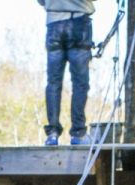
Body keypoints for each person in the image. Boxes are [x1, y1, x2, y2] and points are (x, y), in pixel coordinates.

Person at [38, 0, 96, 146]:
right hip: (79, 23)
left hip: (54, 24)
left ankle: (52, 133)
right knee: (80, 83)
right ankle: (78, 133)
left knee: (53, 82)